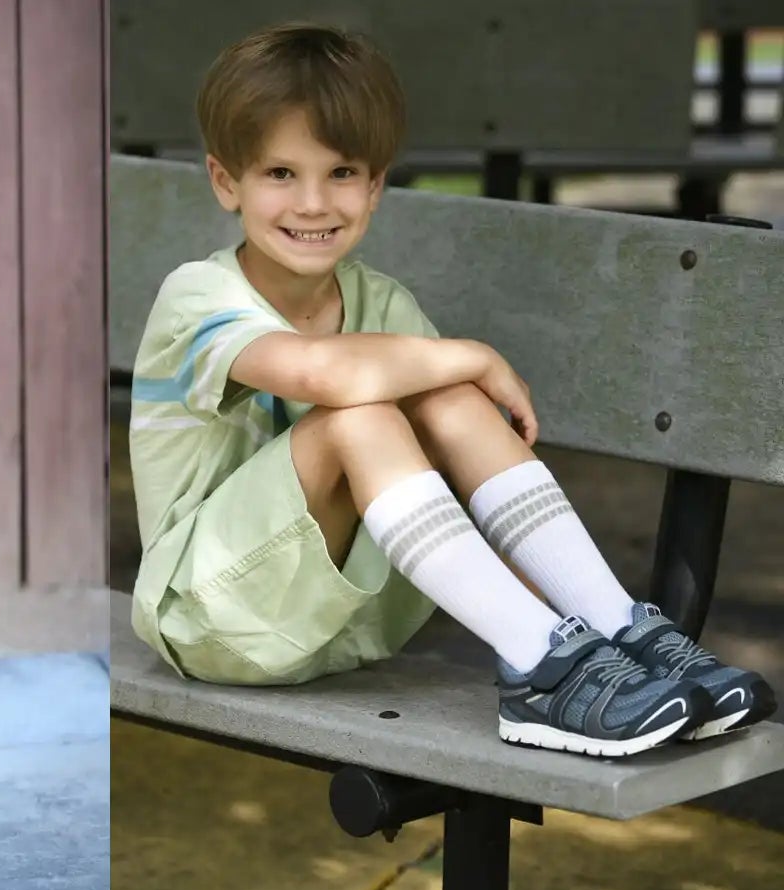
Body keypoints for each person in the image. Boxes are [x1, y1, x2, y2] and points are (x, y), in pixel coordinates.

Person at [127, 23, 772, 758]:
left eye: (341, 173)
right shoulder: (198, 295)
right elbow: (322, 375)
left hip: (349, 625)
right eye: (280, 173)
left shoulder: (383, 302)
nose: (312, 202)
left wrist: (461, 373)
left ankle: (615, 625)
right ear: (225, 182)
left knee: (448, 398)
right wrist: (474, 354)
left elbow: (448, 423)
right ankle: (540, 665)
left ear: (375, 188)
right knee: (362, 414)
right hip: (211, 620)